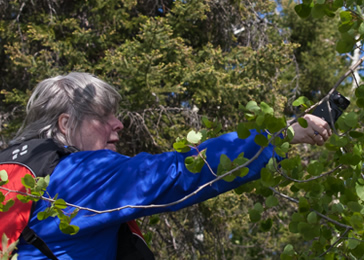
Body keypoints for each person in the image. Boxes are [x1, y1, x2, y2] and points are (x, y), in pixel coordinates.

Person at [9, 72, 331, 259]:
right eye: (104, 116)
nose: (118, 124)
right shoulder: (78, 176)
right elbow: (179, 171)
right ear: (66, 124)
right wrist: (281, 135)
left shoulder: (23, 173)